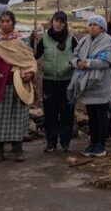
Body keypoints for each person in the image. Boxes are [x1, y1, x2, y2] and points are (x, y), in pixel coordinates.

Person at [0, 10, 37, 162]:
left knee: (17, 117)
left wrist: (30, 73)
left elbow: (30, 61)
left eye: (8, 21)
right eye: (2, 22)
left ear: (13, 23)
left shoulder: (22, 41)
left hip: (17, 86)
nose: (5, 24)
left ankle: (18, 149)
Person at [68, 15, 111, 157]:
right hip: (87, 86)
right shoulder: (84, 41)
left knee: (101, 117)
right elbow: (74, 56)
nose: (92, 27)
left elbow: (106, 61)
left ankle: (101, 145)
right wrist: (77, 63)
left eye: (96, 25)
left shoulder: (108, 42)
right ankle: (93, 143)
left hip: (101, 85)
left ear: (102, 28)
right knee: (92, 117)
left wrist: (87, 63)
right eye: (90, 24)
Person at [33, 11, 78, 152]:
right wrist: (31, 42)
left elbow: (78, 57)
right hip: (49, 81)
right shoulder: (45, 39)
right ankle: (51, 142)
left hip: (67, 81)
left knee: (66, 113)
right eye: (56, 21)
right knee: (50, 113)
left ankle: (65, 142)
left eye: (61, 21)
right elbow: (35, 55)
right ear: (52, 22)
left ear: (65, 24)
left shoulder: (72, 39)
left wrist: (71, 65)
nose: (58, 24)